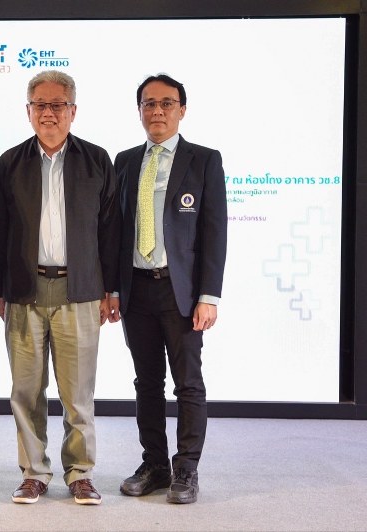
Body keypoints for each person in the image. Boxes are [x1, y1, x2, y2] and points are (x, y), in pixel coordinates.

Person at [0, 70, 120, 505]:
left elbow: (110, 231)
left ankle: (80, 473)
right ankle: (34, 473)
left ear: (73, 111)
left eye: (57, 105)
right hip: (24, 291)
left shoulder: (97, 160)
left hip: (81, 291)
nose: (48, 113)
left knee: (77, 395)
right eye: (39, 105)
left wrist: (112, 289)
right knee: (26, 391)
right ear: (28, 112)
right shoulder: (10, 162)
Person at [111, 73, 227, 504]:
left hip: (181, 294)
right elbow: (115, 231)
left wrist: (208, 296)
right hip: (136, 290)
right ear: (139, 110)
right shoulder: (125, 161)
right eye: (149, 103)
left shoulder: (204, 160)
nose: (157, 111)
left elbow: (214, 232)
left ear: (181, 110)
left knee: (188, 384)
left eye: (166, 103)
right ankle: (156, 465)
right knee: (146, 383)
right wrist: (112, 289)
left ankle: (187, 469)